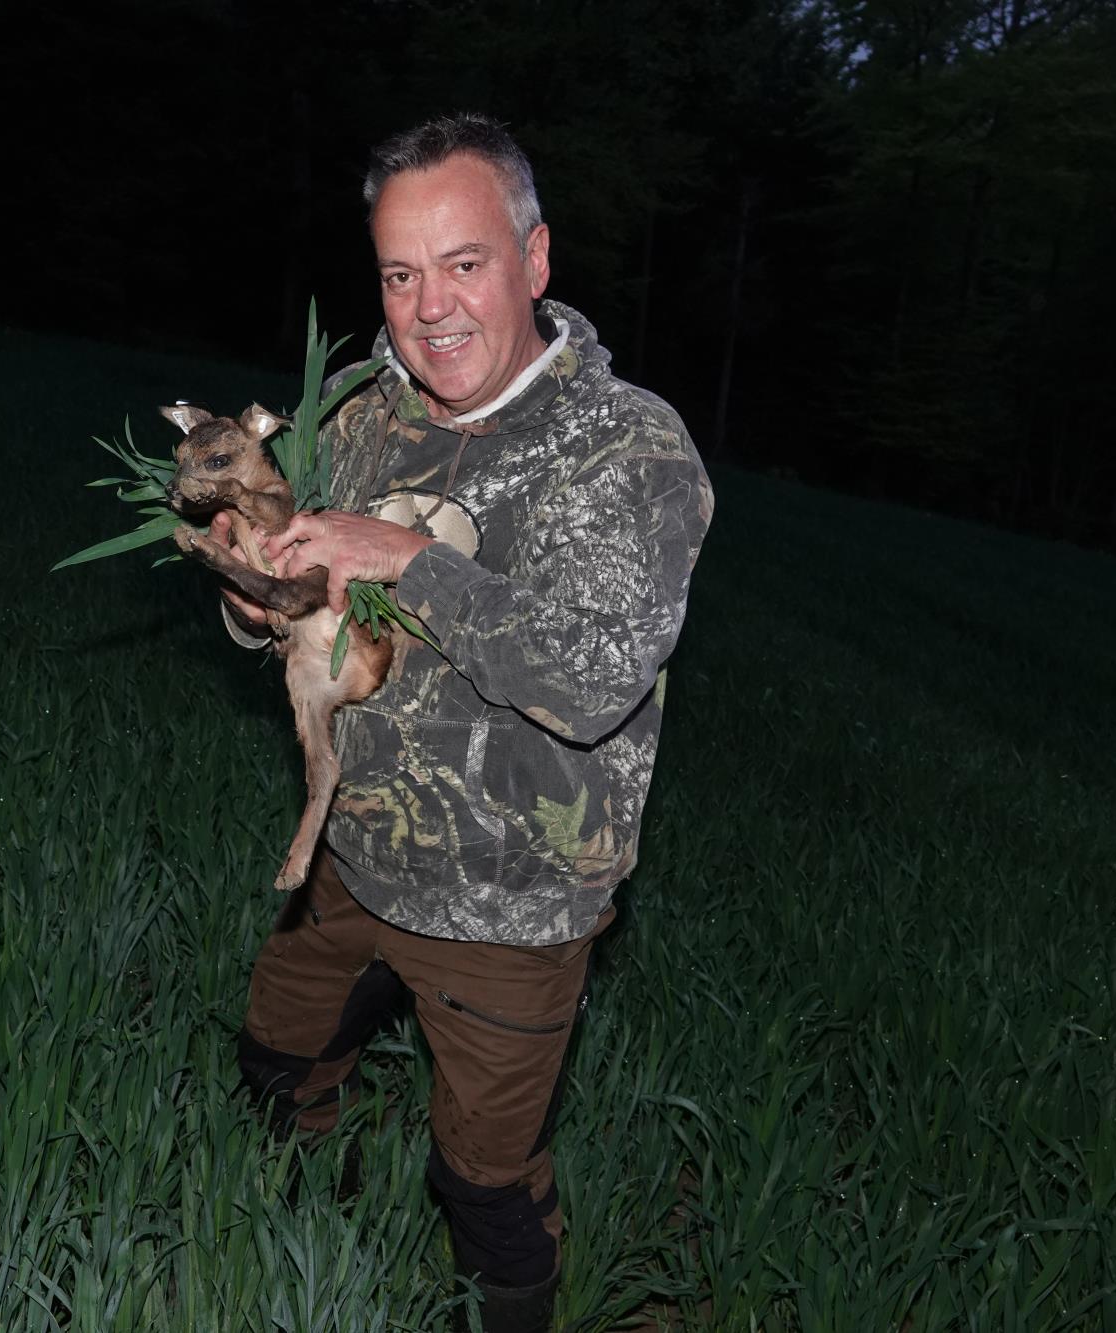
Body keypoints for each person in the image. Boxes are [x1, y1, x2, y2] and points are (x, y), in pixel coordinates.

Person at [211, 113, 712, 1333]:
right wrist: (255, 593)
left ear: (534, 261)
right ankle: (303, 1226)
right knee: (276, 1061)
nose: (426, 307)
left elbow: (594, 680)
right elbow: (303, 609)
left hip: (509, 905)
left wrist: (405, 562)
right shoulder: (363, 411)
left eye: (463, 263)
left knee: (480, 1186)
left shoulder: (626, 446)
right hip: (355, 854)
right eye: (397, 273)